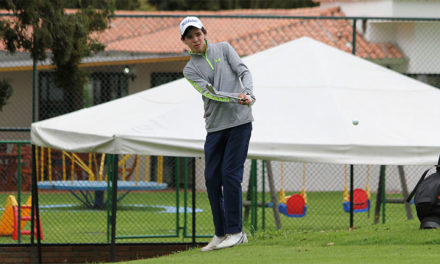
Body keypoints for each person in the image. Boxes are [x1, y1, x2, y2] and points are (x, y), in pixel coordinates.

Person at [180, 16, 256, 251]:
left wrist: (249, 94)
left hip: (240, 123)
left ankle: (236, 232)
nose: (195, 39)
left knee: (230, 175)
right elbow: (211, 93)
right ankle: (221, 233)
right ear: (184, 40)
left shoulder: (224, 48)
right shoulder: (189, 69)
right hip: (215, 127)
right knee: (212, 178)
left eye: (198, 33)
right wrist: (238, 98)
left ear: (204, 32)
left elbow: (243, 71)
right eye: (190, 36)